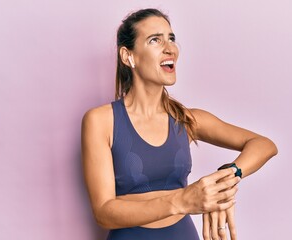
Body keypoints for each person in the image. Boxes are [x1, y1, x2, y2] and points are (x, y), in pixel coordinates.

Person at [81, 8, 278, 240]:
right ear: (128, 57)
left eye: (171, 38)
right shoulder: (101, 121)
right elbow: (104, 212)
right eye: (155, 40)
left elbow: (264, 145)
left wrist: (224, 180)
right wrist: (183, 200)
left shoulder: (187, 120)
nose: (170, 48)